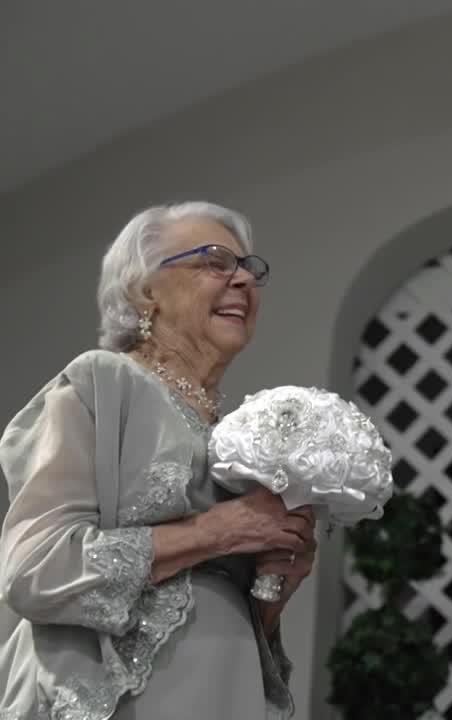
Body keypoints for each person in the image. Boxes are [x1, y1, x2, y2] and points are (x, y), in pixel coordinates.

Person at [0, 202, 317, 719]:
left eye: (249, 268)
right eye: (215, 261)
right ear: (144, 291)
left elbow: (213, 605)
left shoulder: (238, 438)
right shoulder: (103, 382)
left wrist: (274, 588)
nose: (242, 280)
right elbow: (36, 570)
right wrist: (215, 532)